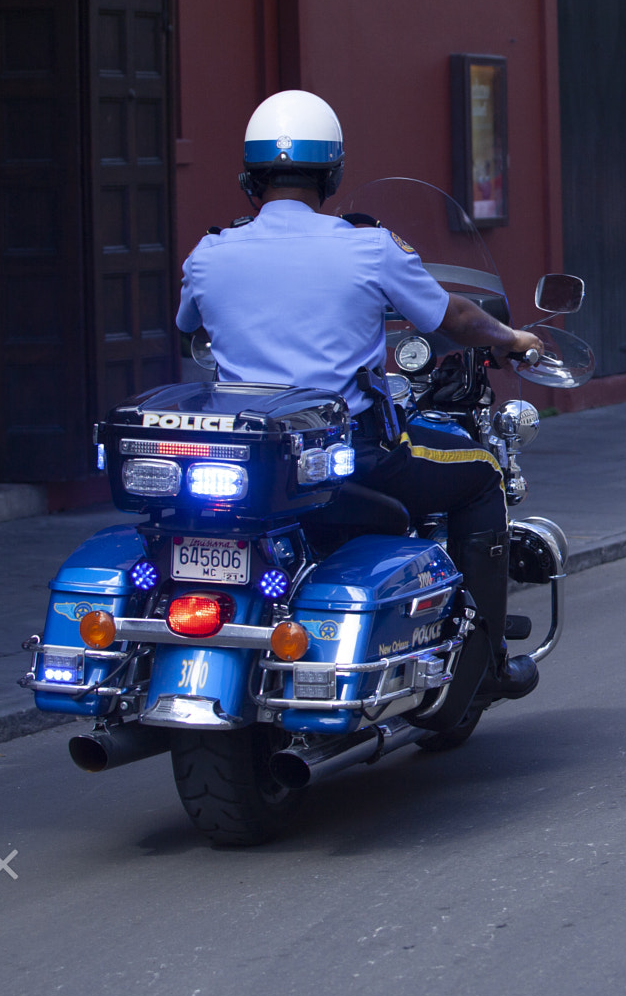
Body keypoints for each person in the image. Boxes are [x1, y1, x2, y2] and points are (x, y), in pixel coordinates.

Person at [176, 90, 546, 707]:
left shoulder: (210, 253)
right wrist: (511, 338)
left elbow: (191, 325)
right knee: (481, 473)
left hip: (250, 465)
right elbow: (451, 314)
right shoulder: (367, 247)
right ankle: (485, 663)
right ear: (334, 174)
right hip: (352, 456)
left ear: (250, 179)